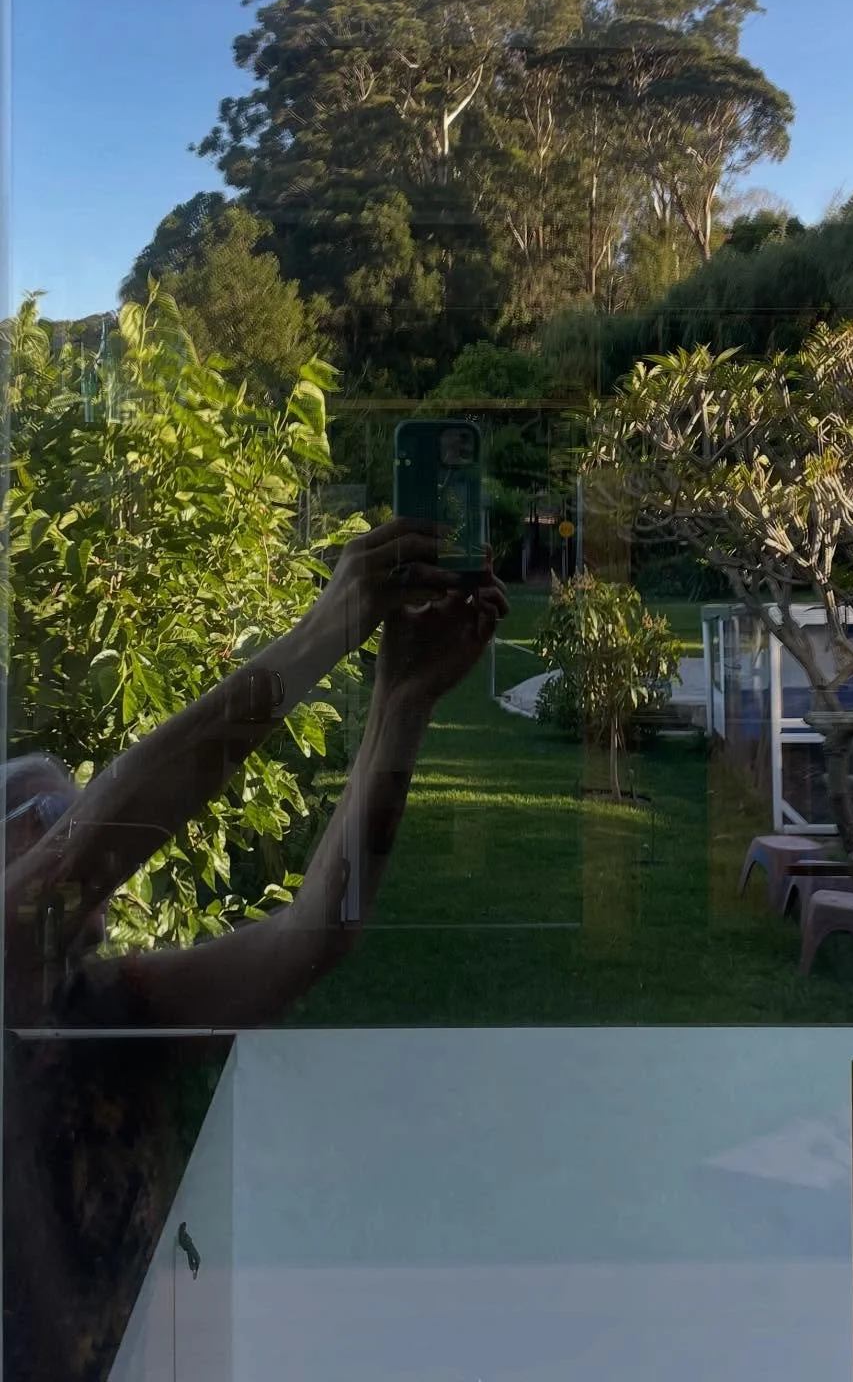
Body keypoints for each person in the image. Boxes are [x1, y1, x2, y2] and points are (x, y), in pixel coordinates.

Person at [3, 517, 507, 1382]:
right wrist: (324, 630)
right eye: (46, 814)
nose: (75, 829)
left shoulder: (112, 1011)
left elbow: (312, 935)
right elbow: (78, 860)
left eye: (76, 803)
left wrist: (400, 706)